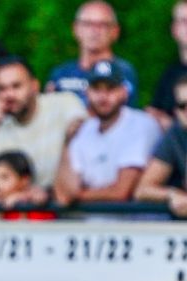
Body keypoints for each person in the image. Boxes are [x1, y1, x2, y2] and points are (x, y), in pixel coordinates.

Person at [0, 56, 87, 199]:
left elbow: (91, 162)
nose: (9, 95)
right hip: (22, 218)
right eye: (2, 89)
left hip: (72, 213)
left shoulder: (65, 105)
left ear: (35, 86)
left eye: (16, 86)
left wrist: (45, 194)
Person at [54, 61, 160, 204]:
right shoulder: (83, 129)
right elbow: (63, 195)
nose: (103, 96)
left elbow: (121, 192)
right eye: (96, 89)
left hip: (134, 223)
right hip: (89, 222)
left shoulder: (140, 124)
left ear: (124, 91)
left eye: (110, 89)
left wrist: (78, 196)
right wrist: (66, 143)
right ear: (87, 93)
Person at [46, 0, 138, 106]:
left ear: (115, 31)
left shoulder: (123, 73)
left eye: (102, 25)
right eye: (87, 24)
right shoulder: (61, 74)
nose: (95, 31)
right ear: (75, 28)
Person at [136, 74, 187, 216]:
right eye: (183, 106)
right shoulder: (177, 134)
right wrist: (172, 194)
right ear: (176, 111)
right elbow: (142, 190)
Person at [148, 1, 187, 131]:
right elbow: (153, 112)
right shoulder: (169, 74)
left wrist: (172, 125)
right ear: (174, 29)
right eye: (184, 21)